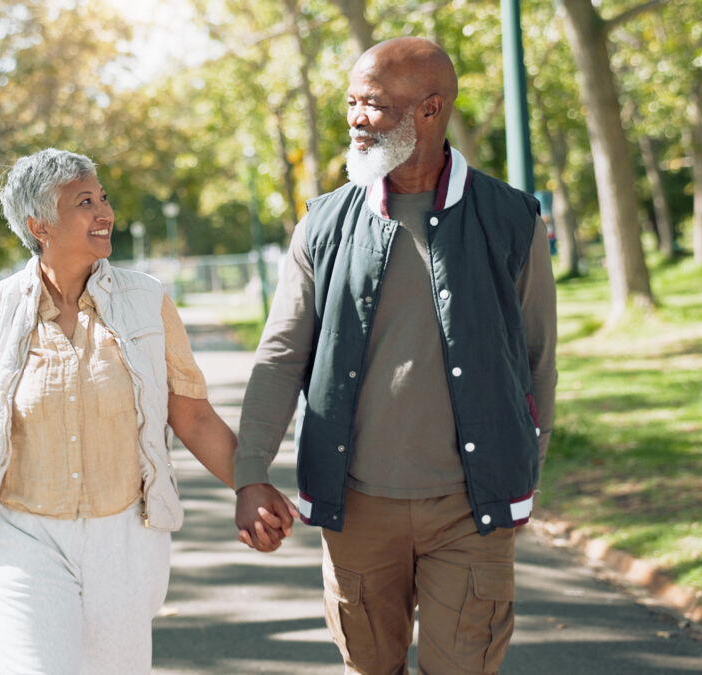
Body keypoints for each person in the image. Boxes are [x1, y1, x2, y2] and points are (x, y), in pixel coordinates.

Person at [234, 37, 557, 674]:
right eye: (352, 102)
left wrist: (522, 473)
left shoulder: (512, 218)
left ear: (430, 110)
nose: (356, 117)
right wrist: (250, 472)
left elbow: (536, 357)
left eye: (375, 105)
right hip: (356, 510)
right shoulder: (323, 222)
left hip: (470, 511)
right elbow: (279, 358)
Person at [0, 148, 236, 674]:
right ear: (38, 224)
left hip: (126, 537)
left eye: (103, 197)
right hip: (24, 538)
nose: (104, 212)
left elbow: (193, 416)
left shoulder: (146, 300)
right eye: (84, 202)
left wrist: (251, 484)